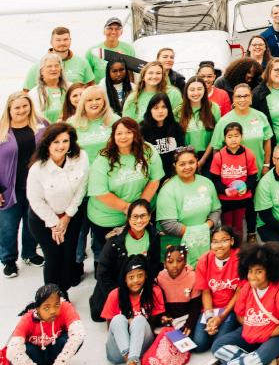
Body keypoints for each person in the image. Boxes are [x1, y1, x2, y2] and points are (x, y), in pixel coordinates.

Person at [191, 242, 279, 365]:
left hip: (277, 335)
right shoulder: (246, 288)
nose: (252, 276)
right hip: (252, 331)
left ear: (270, 271)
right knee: (217, 346)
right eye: (250, 271)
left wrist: (263, 332)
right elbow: (240, 315)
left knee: (259, 357)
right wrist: (254, 329)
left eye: (258, 271)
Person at [86, 118, 164, 261]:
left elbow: (155, 179)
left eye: (129, 132)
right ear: (113, 136)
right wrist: (129, 208)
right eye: (119, 133)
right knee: (110, 260)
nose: (123, 137)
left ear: (136, 134)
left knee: (139, 258)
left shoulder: (147, 150)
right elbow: (100, 193)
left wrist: (139, 208)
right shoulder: (103, 159)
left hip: (141, 216)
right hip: (108, 218)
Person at [26, 122, 88, 290]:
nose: (61, 146)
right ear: (47, 143)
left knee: (68, 257)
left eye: (65, 141)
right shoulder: (37, 169)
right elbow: (36, 200)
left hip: (71, 216)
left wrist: (67, 217)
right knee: (54, 258)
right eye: (56, 142)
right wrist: (55, 224)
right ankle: (50, 296)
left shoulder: (81, 157)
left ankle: (63, 293)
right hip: (43, 220)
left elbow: (81, 189)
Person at [101, 255, 164, 365]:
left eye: (140, 275)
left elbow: (154, 322)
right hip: (118, 352)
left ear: (146, 275)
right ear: (124, 279)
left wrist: (134, 322)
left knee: (139, 320)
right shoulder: (115, 294)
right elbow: (111, 328)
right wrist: (126, 323)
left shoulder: (154, 291)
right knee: (118, 320)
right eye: (131, 277)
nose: (136, 280)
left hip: (142, 345)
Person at [6, 284, 85, 365]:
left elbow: (79, 334)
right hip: (35, 356)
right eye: (46, 307)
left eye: (56, 305)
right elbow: (12, 351)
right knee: (21, 352)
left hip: (55, 351)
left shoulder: (65, 307)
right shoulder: (27, 319)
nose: (53, 311)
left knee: (71, 338)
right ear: (37, 308)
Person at [0, 92, 44, 277]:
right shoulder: (2, 131)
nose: (22, 110)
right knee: (8, 227)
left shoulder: (41, 125)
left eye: (25, 106)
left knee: (31, 223)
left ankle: (29, 253)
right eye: (17, 107)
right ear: (9, 109)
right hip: (9, 189)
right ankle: (8, 259)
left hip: (34, 188)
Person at [156, 148, 221, 265]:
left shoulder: (207, 183)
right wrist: (198, 233)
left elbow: (216, 210)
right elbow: (168, 225)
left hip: (206, 240)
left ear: (197, 162)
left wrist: (206, 227)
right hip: (177, 245)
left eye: (191, 162)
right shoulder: (168, 190)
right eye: (182, 164)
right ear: (175, 166)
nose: (187, 167)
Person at [192, 225, 240, 353]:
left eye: (224, 240)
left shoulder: (241, 258)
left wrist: (222, 317)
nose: (219, 246)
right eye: (215, 242)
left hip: (230, 308)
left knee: (219, 343)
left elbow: (239, 293)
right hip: (211, 308)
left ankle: (239, 328)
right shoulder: (205, 260)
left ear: (232, 241)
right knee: (199, 344)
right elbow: (206, 292)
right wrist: (209, 317)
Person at [210, 123, 258, 242]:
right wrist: (224, 190)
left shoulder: (248, 154)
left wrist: (246, 187)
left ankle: (239, 249)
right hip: (226, 199)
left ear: (242, 137)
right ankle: (229, 249)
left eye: (236, 136)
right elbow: (215, 179)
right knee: (227, 226)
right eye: (229, 136)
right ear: (224, 138)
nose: (233, 139)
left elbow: (253, 176)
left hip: (243, 198)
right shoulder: (219, 156)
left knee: (238, 226)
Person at [212, 83, 273, 172]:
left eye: (246, 96)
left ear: (251, 97)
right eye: (238, 96)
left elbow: (267, 141)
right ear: (233, 98)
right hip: (234, 174)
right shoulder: (223, 121)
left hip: (258, 170)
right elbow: (216, 149)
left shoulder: (261, 116)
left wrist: (266, 165)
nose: (242, 99)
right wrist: (222, 171)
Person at [23, 27, 94, 91]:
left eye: (65, 39)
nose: (62, 43)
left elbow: (91, 88)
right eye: (58, 40)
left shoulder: (82, 63)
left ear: (70, 40)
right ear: (51, 42)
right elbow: (26, 92)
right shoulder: (38, 66)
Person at [139, 93, 186, 177]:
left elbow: (181, 154)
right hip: (151, 175)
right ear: (150, 110)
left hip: (174, 174)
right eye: (156, 108)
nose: (160, 111)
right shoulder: (142, 130)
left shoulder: (176, 127)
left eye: (164, 107)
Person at [179, 77, 220, 169]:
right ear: (186, 92)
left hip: (207, 156)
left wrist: (203, 160)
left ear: (204, 91)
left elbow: (216, 136)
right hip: (185, 156)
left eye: (199, 89)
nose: (196, 93)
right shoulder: (178, 111)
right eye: (192, 90)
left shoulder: (214, 108)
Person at [29, 54, 67, 123]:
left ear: (61, 69)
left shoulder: (70, 87)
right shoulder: (35, 93)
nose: (53, 69)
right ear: (41, 71)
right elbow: (36, 119)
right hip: (48, 132)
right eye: (49, 66)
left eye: (56, 66)